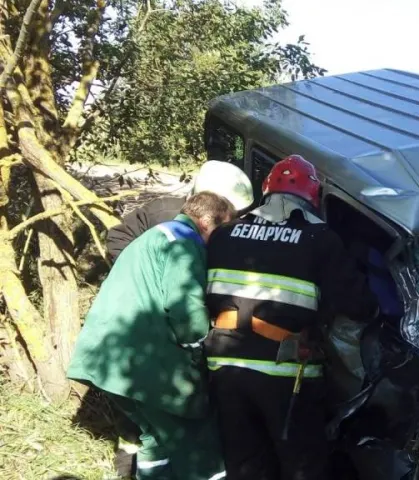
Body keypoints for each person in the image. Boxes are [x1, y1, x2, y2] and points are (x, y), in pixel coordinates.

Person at [203, 155, 378, 480]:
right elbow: (358, 304)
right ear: (313, 197)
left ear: (266, 192)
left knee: (245, 466)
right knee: (303, 466)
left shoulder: (224, 235)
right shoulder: (320, 239)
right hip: (285, 375)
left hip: (225, 369)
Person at [67, 192, 237, 480]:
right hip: (141, 365)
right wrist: (202, 352)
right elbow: (186, 308)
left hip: (106, 360)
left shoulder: (157, 235)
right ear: (208, 222)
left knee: (154, 441)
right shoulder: (184, 243)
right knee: (198, 440)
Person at [106, 160, 254, 262]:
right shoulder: (162, 212)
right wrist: (141, 278)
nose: (234, 219)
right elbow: (118, 237)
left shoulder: (234, 229)